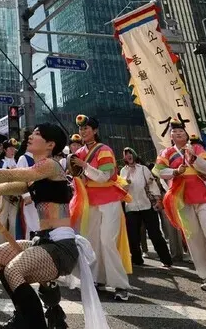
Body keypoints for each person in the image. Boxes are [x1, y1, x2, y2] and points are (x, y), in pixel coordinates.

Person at [0, 123, 105, 329]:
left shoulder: (50, 166)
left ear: (50, 144)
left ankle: (34, 325)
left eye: (37, 134)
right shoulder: (36, 175)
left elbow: (10, 175)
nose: (30, 137)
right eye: (32, 133)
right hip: (43, 242)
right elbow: (5, 187)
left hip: (61, 247)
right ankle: (23, 316)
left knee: (14, 270)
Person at [153, 121, 206, 291]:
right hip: (183, 200)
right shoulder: (167, 152)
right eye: (174, 132)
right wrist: (176, 171)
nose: (178, 133)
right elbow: (157, 170)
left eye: (181, 131)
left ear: (186, 135)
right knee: (195, 238)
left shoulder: (197, 149)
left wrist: (194, 159)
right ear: (170, 136)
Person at [70, 115, 131, 300]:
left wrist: (84, 166)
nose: (83, 132)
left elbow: (105, 176)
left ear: (95, 131)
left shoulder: (104, 150)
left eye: (87, 128)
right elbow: (77, 176)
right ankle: (97, 279)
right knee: (92, 241)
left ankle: (121, 285)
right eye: (81, 129)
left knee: (107, 241)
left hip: (109, 200)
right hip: (89, 201)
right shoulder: (79, 152)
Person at [120, 147, 173, 268]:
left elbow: (152, 184)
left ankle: (166, 259)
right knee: (133, 235)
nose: (128, 156)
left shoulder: (143, 169)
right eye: (126, 154)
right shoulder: (123, 171)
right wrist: (125, 184)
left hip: (146, 205)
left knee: (155, 233)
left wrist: (158, 200)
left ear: (134, 155)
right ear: (124, 158)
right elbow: (122, 190)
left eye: (130, 153)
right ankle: (137, 259)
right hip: (131, 207)